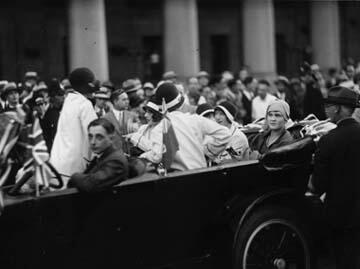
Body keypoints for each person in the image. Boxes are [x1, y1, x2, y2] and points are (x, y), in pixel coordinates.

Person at [309, 86, 360, 268]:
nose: (326, 109)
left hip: (340, 214)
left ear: (337, 109)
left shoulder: (328, 140)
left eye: (328, 105)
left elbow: (318, 185)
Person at [134, 82, 231, 171]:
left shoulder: (160, 128)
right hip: (202, 174)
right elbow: (225, 134)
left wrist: (142, 157)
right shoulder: (195, 119)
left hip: (179, 179)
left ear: (160, 107)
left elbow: (156, 156)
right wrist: (208, 152)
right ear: (180, 104)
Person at [50, 67, 98, 183]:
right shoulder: (84, 104)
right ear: (85, 84)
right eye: (91, 81)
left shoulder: (68, 101)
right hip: (73, 169)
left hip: (56, 165)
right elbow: (94, 135)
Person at [68, 118, 128, 192]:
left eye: (99, 137)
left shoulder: (116, 161)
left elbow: (89, 184)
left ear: (111, 139)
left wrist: (74, 177)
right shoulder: (104, 156)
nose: (93, 142)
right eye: (90, 136)